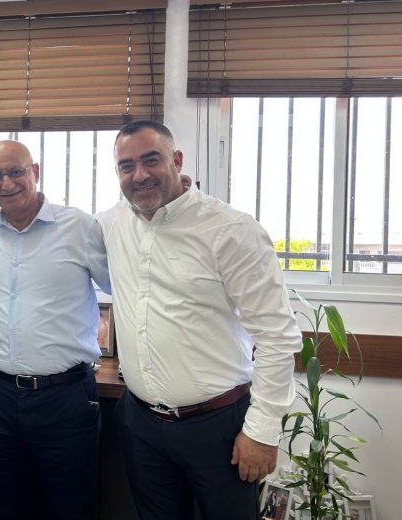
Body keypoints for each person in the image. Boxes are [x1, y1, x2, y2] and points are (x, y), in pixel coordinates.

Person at [97, 120, 302, 520]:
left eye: (151, 160)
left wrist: (262, 431)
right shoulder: (113, 222)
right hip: (140, 422)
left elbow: (277, 337)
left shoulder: (231, 230)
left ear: (176, 160)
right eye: (126, 166)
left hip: (218, 426)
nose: (139, 175)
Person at [0, 140, 111, 520]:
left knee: (70, 507)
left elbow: (123, 285)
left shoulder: (80, 227)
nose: (7, 183)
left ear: (34, 171)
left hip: (64, 398)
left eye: (16, 172)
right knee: (3, 506)